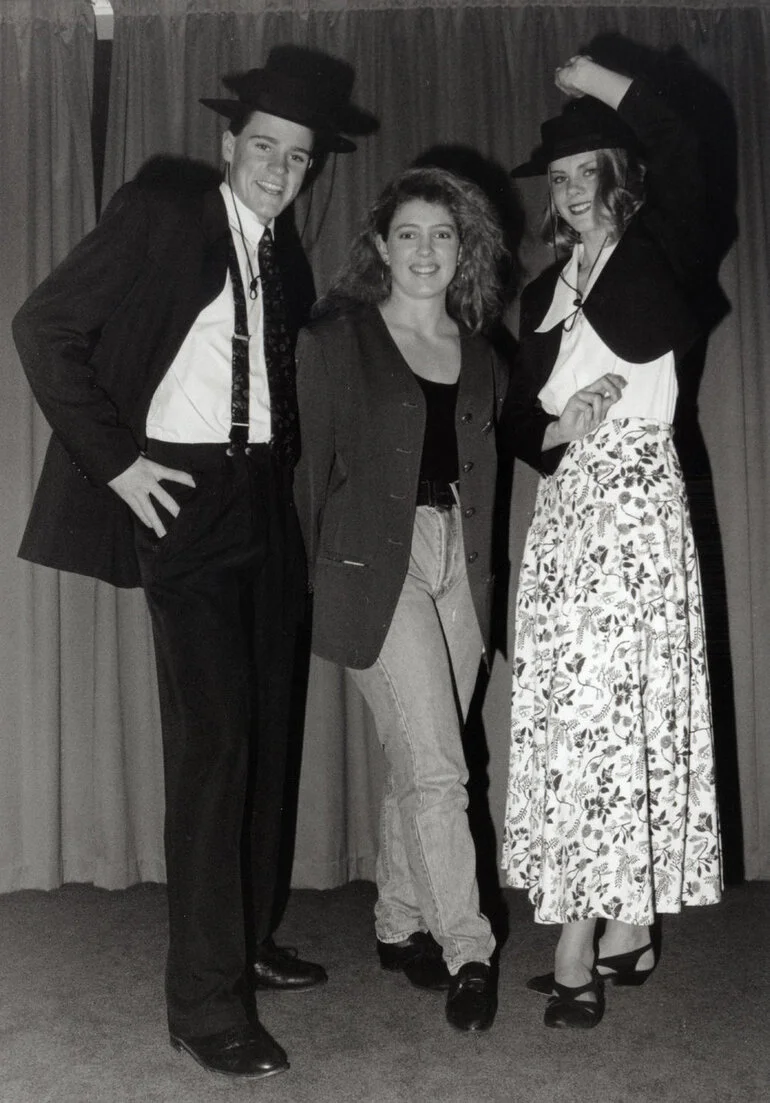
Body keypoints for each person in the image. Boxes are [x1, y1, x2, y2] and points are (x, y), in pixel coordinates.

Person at [12, 47, 370, 1079]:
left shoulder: (281, 250)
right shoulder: (170, 213)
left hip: (266, 499)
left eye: (297, 158)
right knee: (212, 747)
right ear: (229, 146)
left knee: (264, 731)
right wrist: (120, 463)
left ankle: (248, 938)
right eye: (263, 147)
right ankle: (204, 1004)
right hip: (186, 498)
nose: (278, 168)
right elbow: (45, 328)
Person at [500, 55, 722, 1030]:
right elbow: (513, 423)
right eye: (555, 177)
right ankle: (624, 921)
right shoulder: (539, 293)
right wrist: (559, 425)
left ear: (618, 175)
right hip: (563, 523)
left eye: (582, 169)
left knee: (612, 718)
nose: (566, 190)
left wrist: (603, 81)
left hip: (635, 512)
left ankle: (577, 943)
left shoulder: (663, 247)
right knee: (574, 726)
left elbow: (694, 148)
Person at [294, 166, 508, 1032]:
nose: (426, 250)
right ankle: (470, 949)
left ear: (465, 251)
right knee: (439, 769)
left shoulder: (484, 351)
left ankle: (398, 922)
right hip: (372, 563)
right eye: (410, 233)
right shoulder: (338, 336)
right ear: (382, 245)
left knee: (424, 753)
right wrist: (299, 583)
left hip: (460, 558)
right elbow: (306, 469)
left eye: (443, 234)